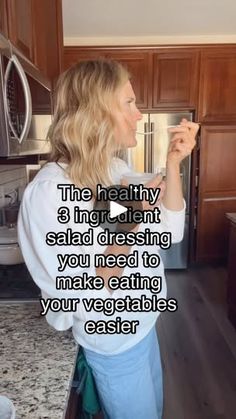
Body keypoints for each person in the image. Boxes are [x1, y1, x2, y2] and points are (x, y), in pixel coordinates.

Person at [17, 59, 199, 419]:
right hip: (114, 342)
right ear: (96, 113)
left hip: (144, 325)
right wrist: (132, 220)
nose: (139, 114)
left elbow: (170, 229)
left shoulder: (112, 171)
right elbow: (87, 285)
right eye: (129, 103)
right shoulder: (51, 194)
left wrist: (173, 164)